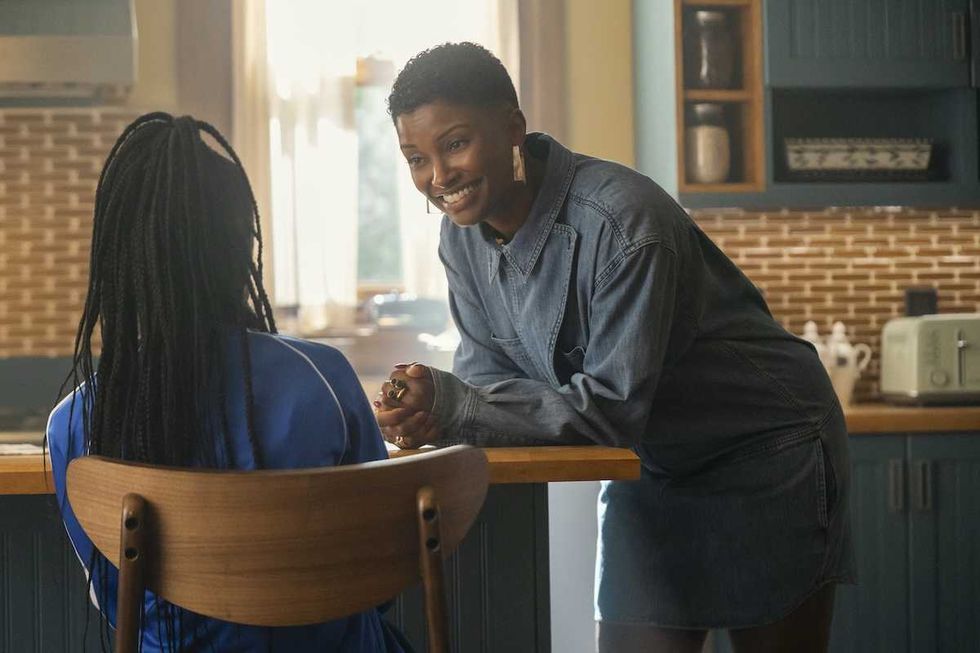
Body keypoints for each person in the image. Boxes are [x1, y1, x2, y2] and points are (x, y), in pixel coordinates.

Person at [374, 43, 854, 652]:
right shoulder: (460, 236)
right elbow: (487, 384)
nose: (438, 178)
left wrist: (457, 407)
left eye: (455, 143)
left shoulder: (626, 224)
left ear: (513, 128)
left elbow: (610, 409)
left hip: (767, 451)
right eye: (416, 158)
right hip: (652, 467)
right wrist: (438, 409)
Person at [47, 113, 406, 653]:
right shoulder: (322, 378)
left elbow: (118, 597)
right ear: (242, 243)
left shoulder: (74, 425)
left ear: (119, 259)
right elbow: (380, 575)